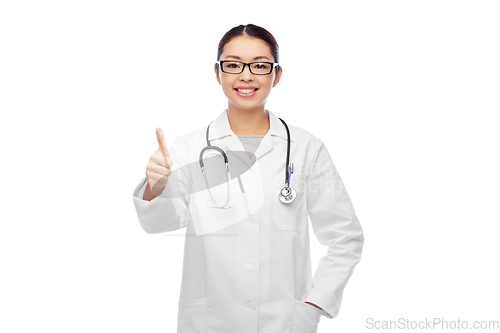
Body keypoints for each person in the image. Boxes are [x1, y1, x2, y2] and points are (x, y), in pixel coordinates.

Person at [132, 23, 364, 333]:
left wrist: (314, 304)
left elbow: (345, 238)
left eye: (259, 65)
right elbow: (158, 223)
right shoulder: (190, 147)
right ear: (218, 73)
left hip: (285, 322)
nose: (246, 75)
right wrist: (155, 188)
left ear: (276, 74)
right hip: (210, 321)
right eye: (233, 64)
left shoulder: (307, 148)